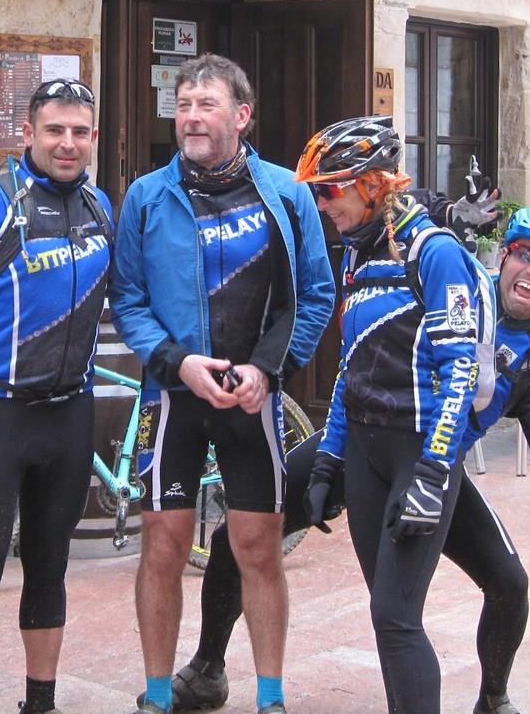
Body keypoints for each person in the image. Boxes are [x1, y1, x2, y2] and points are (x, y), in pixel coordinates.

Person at [174, 117, 530, 714]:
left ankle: (493, 697)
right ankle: (208, 668)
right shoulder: (382, 249)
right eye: (524, 254)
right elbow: (361, 345)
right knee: (239, 534)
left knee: (497, 588)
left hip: (426, 456)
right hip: (362, 441)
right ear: (503, 255)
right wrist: (328, 462)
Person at [111, 54, 336, 714]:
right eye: (182, 105)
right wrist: (176, 361)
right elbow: (128, 298)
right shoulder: (147, 197)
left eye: (205, 104)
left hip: (250, 398)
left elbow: (315, 294)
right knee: (162, 547)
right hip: (173, 395)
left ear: (242, 116)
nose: (190, 117)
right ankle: (158, 695)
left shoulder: (286, 194)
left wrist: (268, 369)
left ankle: (271, 698)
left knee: (258, 550)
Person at [0, 78, 116, 714]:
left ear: (93, 137)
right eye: (54, 130)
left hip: (70, 411)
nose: (67, 143)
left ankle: (41, 703)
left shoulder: (99, 207)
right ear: (28, 133)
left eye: (80, 132)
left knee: (49, 565)